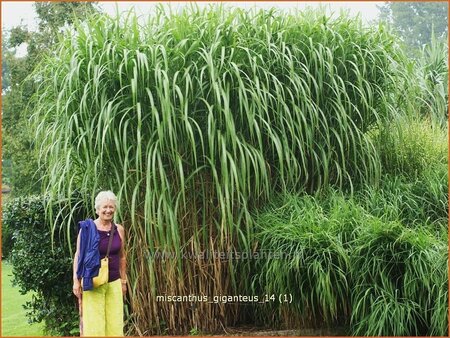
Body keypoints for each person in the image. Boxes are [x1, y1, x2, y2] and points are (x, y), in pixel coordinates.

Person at [72, 190, 127, 336]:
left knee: (115, 323)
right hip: (93, 282)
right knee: (94, 326)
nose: (108, 210)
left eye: (111, 207)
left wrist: (123, 281)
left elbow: (122, 257)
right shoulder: (87, 229)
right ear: (97, 209)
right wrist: (76, 282)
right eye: (105, 207)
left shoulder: (119, 229)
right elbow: (78, 256)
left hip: (114, 282)